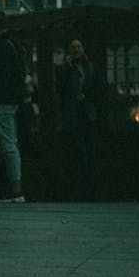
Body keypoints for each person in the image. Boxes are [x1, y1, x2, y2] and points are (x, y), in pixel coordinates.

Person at [0, 10, 25, 203]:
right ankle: (15, 188)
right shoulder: (12, 45)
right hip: (10, 101)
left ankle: (15, 190)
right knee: (9, 144)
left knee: (7, 145)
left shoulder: (1, 47)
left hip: (3, 103)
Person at [55, 38, 100, 201]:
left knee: (89, 152)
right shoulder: (63, 68)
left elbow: (97, 87)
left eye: (79, 46)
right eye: (73, 47)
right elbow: (59, 87)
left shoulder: (90, 67)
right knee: (74, 153)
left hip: (88, 115)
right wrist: (67, 66)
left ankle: (89, 189)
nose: (77, 50)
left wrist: (87, 96)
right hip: (72, 116)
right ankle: (75, 190)